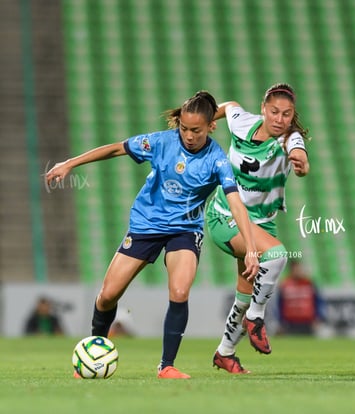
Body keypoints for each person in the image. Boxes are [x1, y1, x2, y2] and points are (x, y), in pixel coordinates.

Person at [46, 91, 259, 379]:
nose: (188, 135)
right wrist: (70, 163)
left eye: (196, 130)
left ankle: (166, 366)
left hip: (184, 230)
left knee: (180, 292)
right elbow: (116, 149)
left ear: (211, 126)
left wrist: (251, 248)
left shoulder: (217, 159)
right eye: (184, 128)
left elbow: (236, 203)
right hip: (146, 225)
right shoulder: (160, 142)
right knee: (108, 296)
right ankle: (96, 347)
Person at [206, 83, 310, 373]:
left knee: (243, 294)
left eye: (287, 114)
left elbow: (299, 155)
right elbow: (229, 106)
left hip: (261, 223)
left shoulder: (290, 139)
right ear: (263, 109)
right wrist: (209, 118)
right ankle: (257, 316)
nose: (280, 119)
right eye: (274, 111)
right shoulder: (243, 122)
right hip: (225, 216)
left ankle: (225, 352)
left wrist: (302, 164)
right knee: (276, 256)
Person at [276, 259, 325, 335]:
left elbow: (317, 301)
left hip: (307, 322)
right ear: (291, 270)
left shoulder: (309, 283)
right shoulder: (285, 284)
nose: (298, 271)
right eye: (296, 269)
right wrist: (280, 321)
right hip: (290, 323)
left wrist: (318, 317)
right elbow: (280, 304)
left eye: (299, 269)